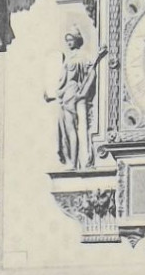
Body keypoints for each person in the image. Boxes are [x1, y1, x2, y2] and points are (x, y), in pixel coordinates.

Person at [44, 28, 106, 170]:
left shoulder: (83, 56)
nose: (68, 43)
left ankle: (80, 161)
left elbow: (91, 74)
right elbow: (61, 80)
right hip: (66, 95)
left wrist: (83, 92)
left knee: (77, 129)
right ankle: (72, 161)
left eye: (71, 40)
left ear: (77, 40)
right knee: (68, 129)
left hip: (75, 94)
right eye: (67, 41)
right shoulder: (69, 58)